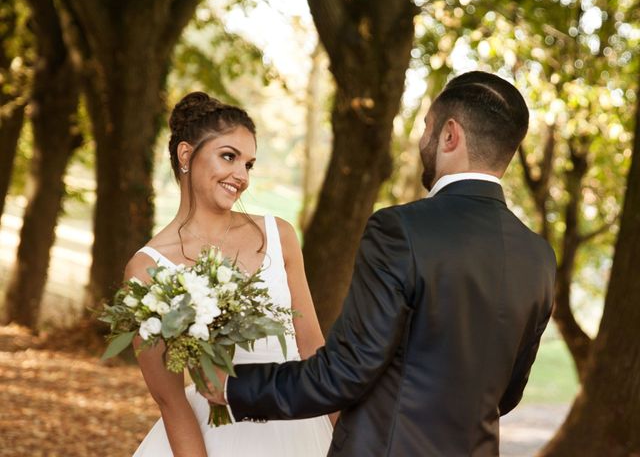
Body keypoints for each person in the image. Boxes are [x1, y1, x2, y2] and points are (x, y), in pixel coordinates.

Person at [209, 71, 557, 456]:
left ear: (450, 135)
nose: (422, 139)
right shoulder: (539, 256)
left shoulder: (401, 230)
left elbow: (344, 372)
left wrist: (233, 386)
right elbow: (506, 394)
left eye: (427, 127)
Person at [126, 92, 333, 456]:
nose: (241, 176)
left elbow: (314, 350)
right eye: (228, 156)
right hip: (213, 437)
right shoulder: (147, 271)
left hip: (300, 431)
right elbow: (170, 401)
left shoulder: (278, 236)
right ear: (186, 155)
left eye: (249, 164)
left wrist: (348, 440)